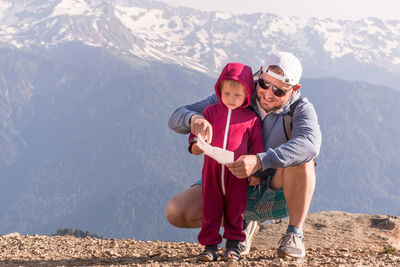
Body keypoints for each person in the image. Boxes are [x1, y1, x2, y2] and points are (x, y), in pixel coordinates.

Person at [167, 51, 322, 258]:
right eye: (265, 85)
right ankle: (242, 225)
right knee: (177, 212)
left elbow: (310, 145)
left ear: (294, 89)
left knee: (304, 159)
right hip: (229, 179)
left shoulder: (301, 109)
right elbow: (176, 117)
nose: (268, 93)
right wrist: (194, 119)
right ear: (260, 74)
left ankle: (294, 233)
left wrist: (260, 160)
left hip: (276, 186)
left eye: (279, 91)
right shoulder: (239, 92)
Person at [188, 62, 264, 261]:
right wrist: (195, 145)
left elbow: (257, 147)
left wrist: (255, 172)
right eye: (227, 93)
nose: (231, 99)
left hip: (237, 172)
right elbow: (197, 135)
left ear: (247, 94)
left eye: (237, 95)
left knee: (235, 210)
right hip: (211, 170)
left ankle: (233, 246)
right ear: (219, 89)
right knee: (210, 209)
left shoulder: (251, 119)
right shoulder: (210, 112)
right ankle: (209, 247)